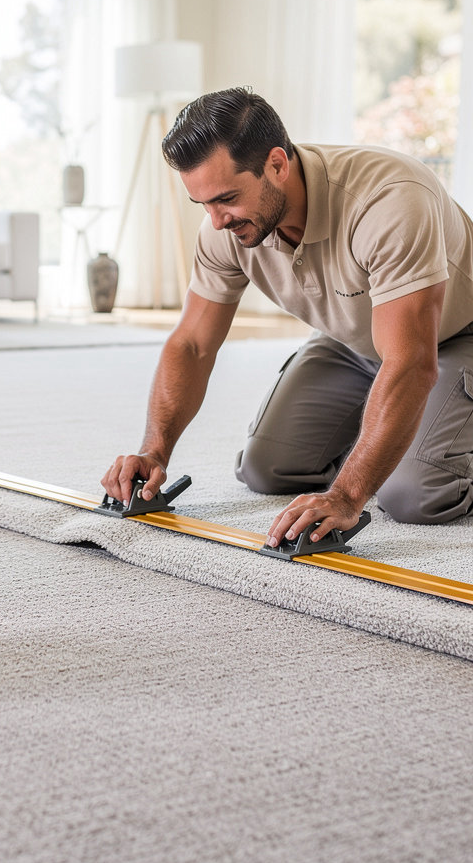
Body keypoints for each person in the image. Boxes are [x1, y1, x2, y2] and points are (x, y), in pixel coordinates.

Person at [101, 87, 473, 548]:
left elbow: (411, 363)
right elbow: (193, 345)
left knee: (414, 495)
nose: (216, 221)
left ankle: (428, 452)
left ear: (277, 164)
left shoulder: (390, 200)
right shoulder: (225, 227)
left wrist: (347, 495)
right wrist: (154, 450)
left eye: (226, 198)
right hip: (354, 339)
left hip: (454, 336)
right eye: (204, 205)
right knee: (267, 468)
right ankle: (405, 439)